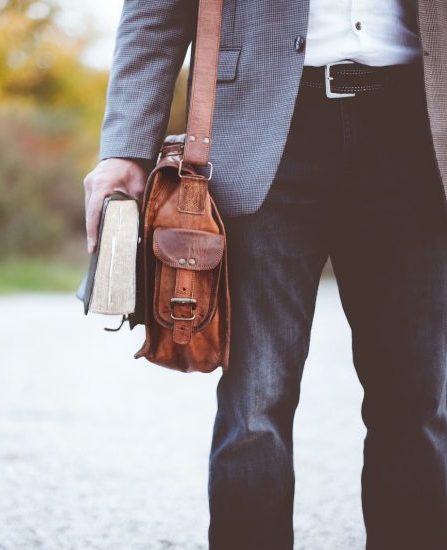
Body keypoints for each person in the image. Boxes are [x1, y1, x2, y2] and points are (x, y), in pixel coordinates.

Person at [83, 1, 447, 548]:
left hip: (418, 127)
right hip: (263, 131)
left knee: (419, 403)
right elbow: (155, 11)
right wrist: (125, 147)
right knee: (256, 402)